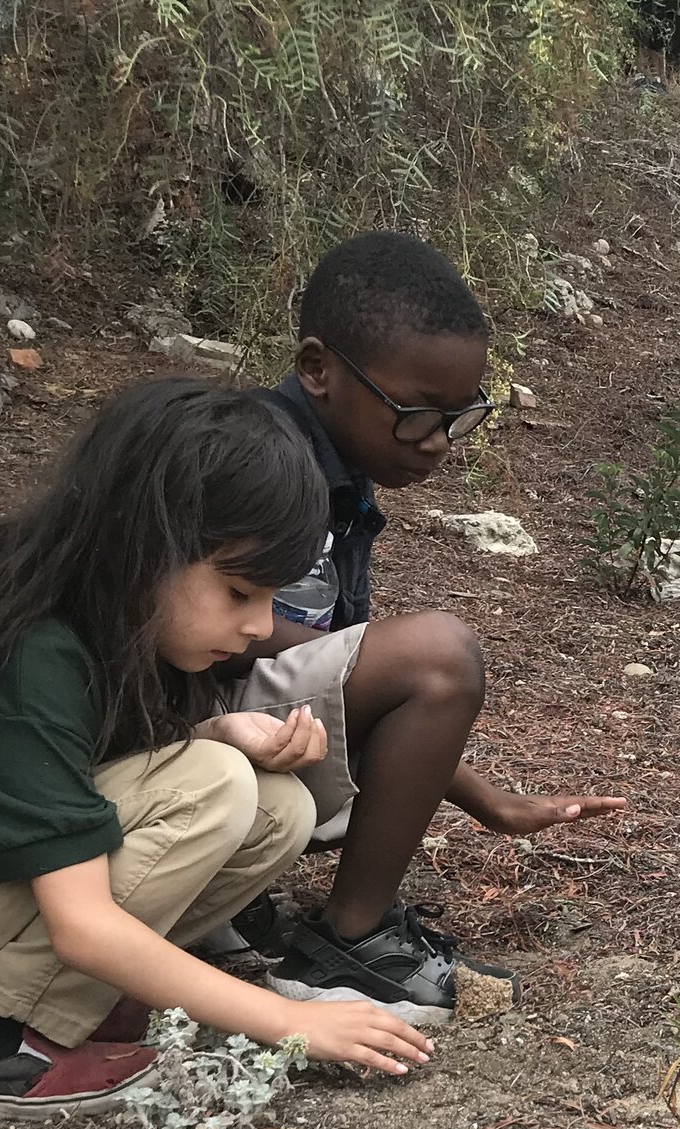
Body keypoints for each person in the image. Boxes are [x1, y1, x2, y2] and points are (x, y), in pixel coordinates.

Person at [0, 381, 443, 1117]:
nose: (262, 626)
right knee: (215, 788)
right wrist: (291, 1020)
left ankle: (72, 1008)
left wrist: (216, 730)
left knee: (277, 804)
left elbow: (69, 771)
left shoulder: (99, 613)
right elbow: (80, 918)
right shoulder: (21, 649)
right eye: (238, 592)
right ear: (145, 545)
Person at [234, 231, 626, 1022]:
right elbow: (223, 632)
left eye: (459, 415)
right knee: (441, 656)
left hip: (242, 726)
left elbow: (348, 677)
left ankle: (227, 907)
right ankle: (349, 943)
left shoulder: (341, 480)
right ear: (318, 369)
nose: (440, 442)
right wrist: (408, 684)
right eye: (416, 414)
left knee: (419, 661)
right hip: (178, 729)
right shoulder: (255, 463)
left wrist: (490, 804)